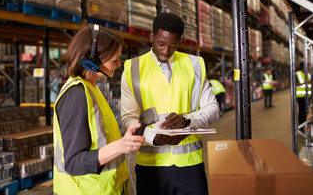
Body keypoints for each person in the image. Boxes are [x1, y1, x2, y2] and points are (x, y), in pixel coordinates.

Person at [121, 13, 221, 195]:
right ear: (152, 37)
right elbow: (129, 118)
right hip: (151, 167)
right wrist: (153, 138)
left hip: (190, 166)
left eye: (173, 46)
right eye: (161, 44)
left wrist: (188, 119)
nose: (166, 51)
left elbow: (213, 109)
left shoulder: (195, 65)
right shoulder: (132, 69)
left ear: (179, 41)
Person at [53, 25, 145, 195]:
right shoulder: (76, 95)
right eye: (114, 60)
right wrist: (121, 146)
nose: (119, 64)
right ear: (91, 62)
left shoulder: (92, 89)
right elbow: (73, 163)